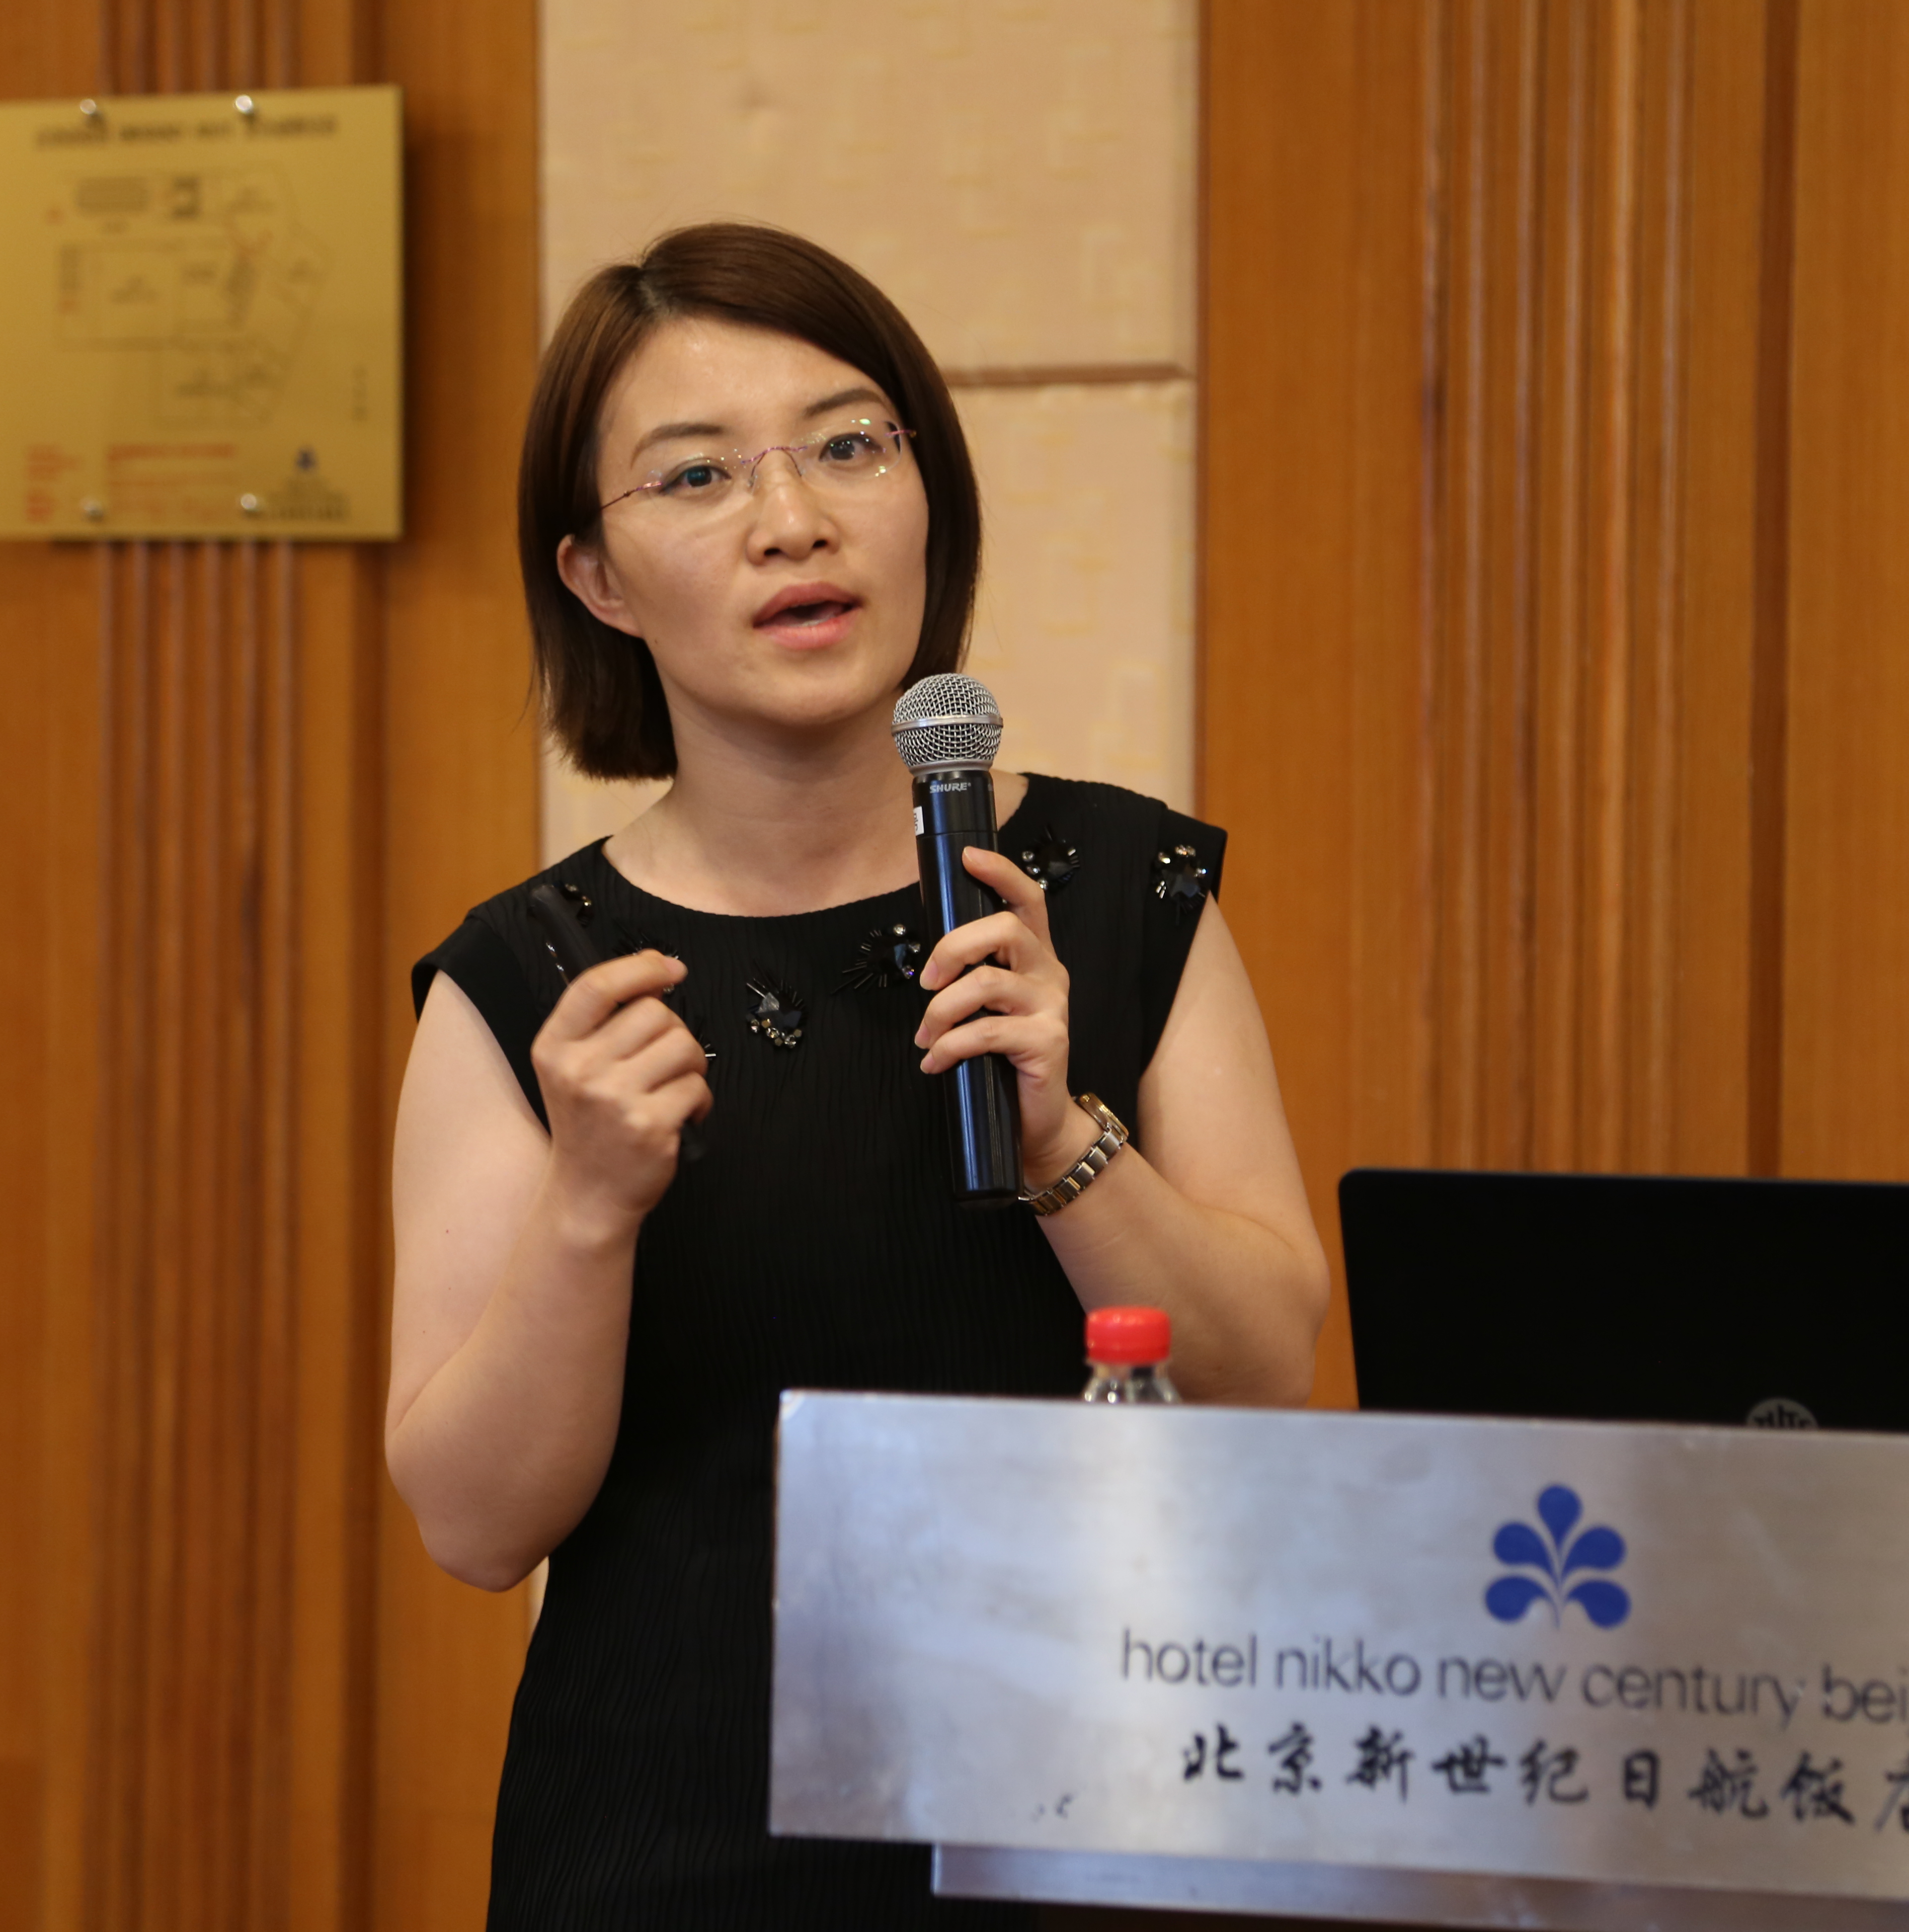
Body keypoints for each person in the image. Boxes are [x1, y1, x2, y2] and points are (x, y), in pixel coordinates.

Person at [385, 222, 1327, 1929]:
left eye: (847, 446)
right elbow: (473, 1524)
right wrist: (588, 1209)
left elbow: (1265, 1378)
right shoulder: (536, 982)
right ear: (597, 579)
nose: (793, 520)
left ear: (926, 495)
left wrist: (1065, 1140)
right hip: (674, 1844)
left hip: (1095, 1807)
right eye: (697, 477)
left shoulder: (1123, 894)